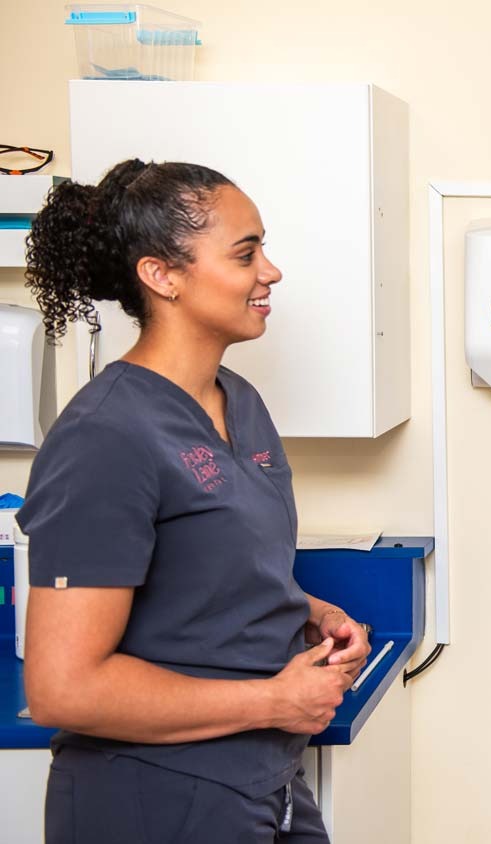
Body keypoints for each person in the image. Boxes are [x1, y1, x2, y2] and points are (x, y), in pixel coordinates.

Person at [17, 159, 371, 843]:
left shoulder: (240, 402)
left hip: (266, 777)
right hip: (153, 798)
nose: (270, 271)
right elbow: (62, 689)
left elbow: (213, 568)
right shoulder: (105, 434)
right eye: (246, 253)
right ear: (162, 275)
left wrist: (307, 613)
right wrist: (276, 697)